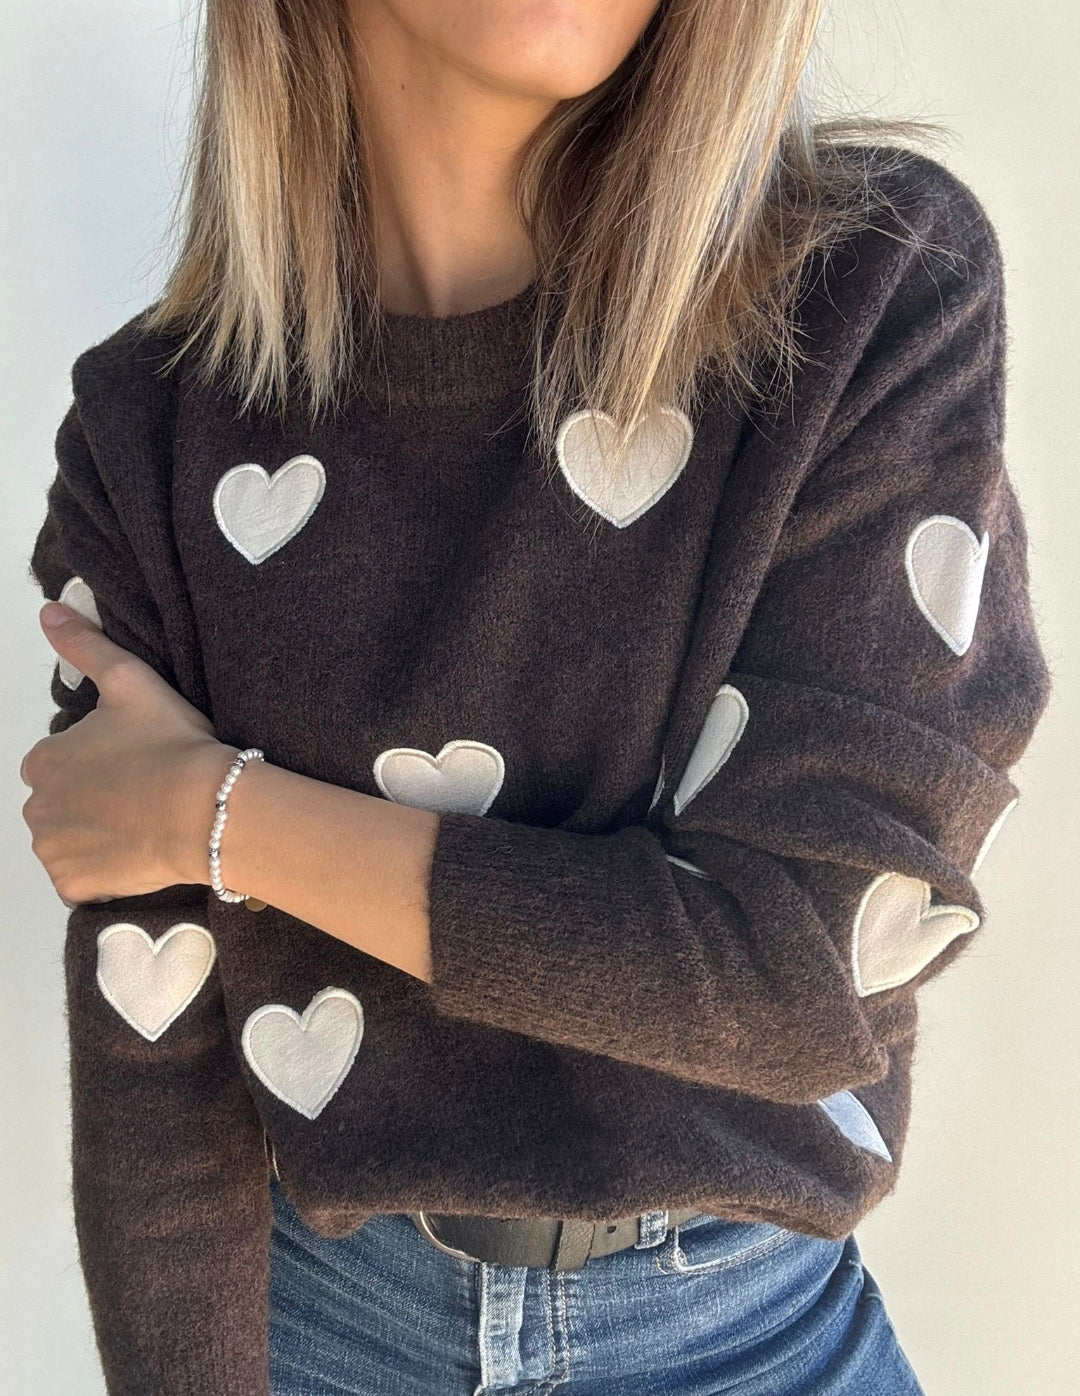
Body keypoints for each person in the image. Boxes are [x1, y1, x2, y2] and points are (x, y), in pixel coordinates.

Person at [19, 2, 1051, 1393]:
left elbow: (804, 966)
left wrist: (214, 816)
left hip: (744, 1335)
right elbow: (158, 1049)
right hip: (322, 1332)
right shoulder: (151, 426)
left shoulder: (861, 288)